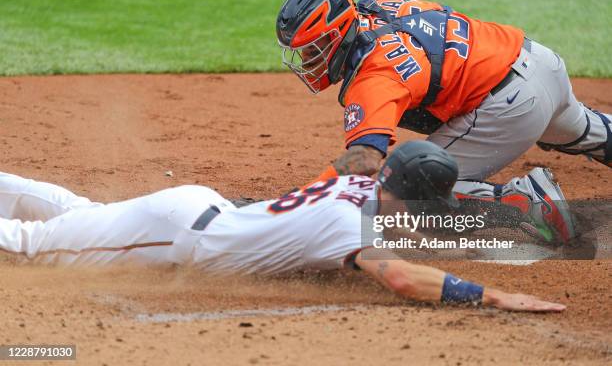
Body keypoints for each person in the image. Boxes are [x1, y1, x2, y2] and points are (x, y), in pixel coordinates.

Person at [0, 141, 563, 312]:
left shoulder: (363, 184)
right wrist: (492, 294)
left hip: (190, 212)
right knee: (34, 245)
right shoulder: (348, 225)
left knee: (75, 214)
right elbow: (400, 279)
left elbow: (358, 165)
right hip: (175, 236)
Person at [276, 0, 610, 243]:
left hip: (512, 107)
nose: (307, 61)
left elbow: (364, 160)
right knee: (583, 129)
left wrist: (308, 196)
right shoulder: (387, 3)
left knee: (409, 193)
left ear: (336, 35)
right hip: (540, 62)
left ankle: (528, 203)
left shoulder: (372, 79)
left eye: (312, 49)